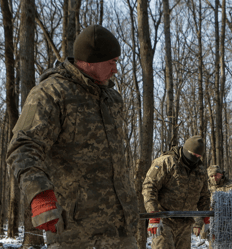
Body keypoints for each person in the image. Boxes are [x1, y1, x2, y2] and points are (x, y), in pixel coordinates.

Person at [6, 25, 138, 249]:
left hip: (119, 228)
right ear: (89, 62)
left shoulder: (112, 99)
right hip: (74, 231)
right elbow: (23, 146)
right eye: (111, 62)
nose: (116, 69)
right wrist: (40, 194)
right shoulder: (51, 93)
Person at [142, 135, 211, 249]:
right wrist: (153, 214)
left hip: (186, 222)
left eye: (199, 156)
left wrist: (207, 217)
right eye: (194, 155)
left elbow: (204, 196)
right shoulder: (166, 162)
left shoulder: (200, 170)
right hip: (164, 219)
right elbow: (149, 187)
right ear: (187, 151)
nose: (196, 158)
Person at [193, 165, 232, 247]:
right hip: (212, 225)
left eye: (216, 175)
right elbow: (199, 206)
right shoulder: (204, 188)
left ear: (221, 174)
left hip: (230, 224)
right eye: (211, 176)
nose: (214, 178)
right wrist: (197, 224)